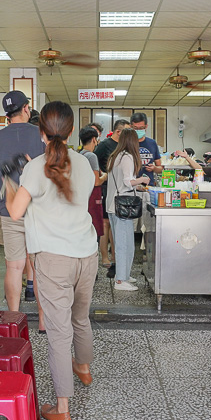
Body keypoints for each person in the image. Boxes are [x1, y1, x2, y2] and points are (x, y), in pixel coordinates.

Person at [4, 101, 97, 420]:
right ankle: (83, 368)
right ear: (71, 131)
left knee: (59, 334)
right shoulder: (85, 165)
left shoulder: (36, 168)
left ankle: (62, 409)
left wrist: (11, 183)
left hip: (54, 259)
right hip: (87, 254)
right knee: (81, 317)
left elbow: (15, 212)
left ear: (41, 132)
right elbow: (67, 183)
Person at [0, 91, 46, 312]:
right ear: (27, 108)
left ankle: (14, 317)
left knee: (14, 266)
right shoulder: (41, 135)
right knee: (38, 268)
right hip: (39, 212)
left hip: (9, 212)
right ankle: (44, 322)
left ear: (7, 114)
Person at [106, 128, 150, 291]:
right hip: (122, 206)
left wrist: (136, 185)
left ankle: (124, 274)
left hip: (113, 204)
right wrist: (143, 179)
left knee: (123, 242)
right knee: (124, 243)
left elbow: (120, 182)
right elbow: (126, 181)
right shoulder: (128, 157)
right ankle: (120, 280)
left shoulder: (115, 156)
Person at [94, 119, 130, 276]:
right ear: (118, 132)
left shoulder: (124, 147)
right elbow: (94, 163)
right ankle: (104, 256)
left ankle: (117, 259)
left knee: (116, 227)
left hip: (120, 191)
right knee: (105, 224)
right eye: (127, 131)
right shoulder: (105, 145)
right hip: (105, 189)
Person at [79, 125, 107, 244]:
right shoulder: (92, 156)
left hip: (82, 199)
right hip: (92, 199)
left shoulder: (79, 154)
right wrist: (105, 176)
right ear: (94, 139)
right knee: (94, 232)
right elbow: (96, 181)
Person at [129, 112, 162, 185]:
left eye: (141, 128)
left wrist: (154, 168)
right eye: (135, 128)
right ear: (131, 127)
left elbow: (160, 168)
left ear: (146, 126)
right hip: (131, 185)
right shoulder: (127, 143)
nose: (138, 130)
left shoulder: (152, 143)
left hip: (148, 185)